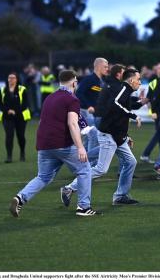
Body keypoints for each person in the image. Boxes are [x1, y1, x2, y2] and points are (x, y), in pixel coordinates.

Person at [9, 70, 100, 218]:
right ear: (74, 83)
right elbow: (72, 123)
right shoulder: (72, 99)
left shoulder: (49, 97)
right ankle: (84, 207)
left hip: (44, 144)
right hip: (62, 144)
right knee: (84, 170)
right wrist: (80, 147)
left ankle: (20, 198)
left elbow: (42, 122)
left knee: (43, 177)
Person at [62, 68, 142, 206]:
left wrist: (126, 136)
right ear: (131, 80)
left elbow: (117, 116)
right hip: (109, 135)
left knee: (131, 162)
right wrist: (133, 115)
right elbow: (115, 104)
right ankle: (69, 188)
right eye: (138, 79)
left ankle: (120, 196)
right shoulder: (123, 89)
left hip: (117, 136)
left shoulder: (125, 91)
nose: (140, 82)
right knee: (101, 169)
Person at [75, 57, 109, 164]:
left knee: (89, 138)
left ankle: (82, 162)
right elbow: (79, 93)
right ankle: (90, 164)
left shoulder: (102, 81)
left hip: (95, 114)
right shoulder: (89, 79)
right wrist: (89, 105)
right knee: (93, 136)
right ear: (98, 67)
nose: (107, 69)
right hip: (84, 112)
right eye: (105, 67)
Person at [0, 72, 31, 163]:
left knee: (21, 136)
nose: (11, 79)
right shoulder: (3, 90)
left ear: (17, 79)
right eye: (9, 78)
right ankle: (9, 156)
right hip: (7, 117)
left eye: (13, 78)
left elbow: (25, 103)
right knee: (9, 136)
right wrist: (7, 110)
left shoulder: (22, 89)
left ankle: (22, 153)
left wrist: (15, 111)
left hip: (20, 117)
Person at [140, 62, 160, 163]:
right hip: (159, 112)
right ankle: (149, 155)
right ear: (156, 70)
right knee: (159, 134)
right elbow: (150, 97)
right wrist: (153, 111)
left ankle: (152, 155)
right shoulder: (154, 81)